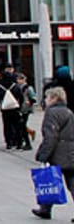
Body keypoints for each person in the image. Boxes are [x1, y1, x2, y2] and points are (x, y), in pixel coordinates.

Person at [32, 87, 74, 219]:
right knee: (70, 181)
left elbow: (51, 136)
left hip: (58, 152)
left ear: (54, 98)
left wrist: (43, 154)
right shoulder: (68, 112)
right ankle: (45, 208)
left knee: (50, 181)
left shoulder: (52, 113)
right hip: (70, 151)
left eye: (47, 97)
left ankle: (45, 209)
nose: (45, 100)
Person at [0, 65, 24, 150]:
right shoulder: (15, 86)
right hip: (14, 108)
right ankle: (19, 142)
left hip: (5, 109)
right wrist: (19, 106)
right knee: (17, 125)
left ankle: (9, 142)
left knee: (7, 126)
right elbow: (21, 97)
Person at [18, 73, 36, 151]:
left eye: (20, 79)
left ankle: (27, 143)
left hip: (26, 109)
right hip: (20, 108)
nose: (19, 81)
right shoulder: (17, 87)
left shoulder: (28, 88)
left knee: (22, 125)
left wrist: (30, 101)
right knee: (21, 125)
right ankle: (25, 139)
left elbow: (33, 98)